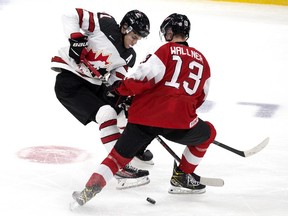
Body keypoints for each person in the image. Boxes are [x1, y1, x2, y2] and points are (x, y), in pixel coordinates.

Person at [71, 13, 217, 206]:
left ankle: (88, 191)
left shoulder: (165, 51)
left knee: (116, 158)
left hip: (144, 119)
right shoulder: (203, 61)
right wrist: (178, 111)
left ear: (169, 32)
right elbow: (200, 97)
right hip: (180, 123)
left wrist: (121, 89)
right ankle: (182, 175)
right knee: (208, 133)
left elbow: (142, 78)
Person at [51, 8, 153, 189]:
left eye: (139, 39)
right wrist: (76, 37)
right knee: (106, 114)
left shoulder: (129, 55)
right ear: (125, 28)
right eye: (134, 36)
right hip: (70, 81)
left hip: (95, 85)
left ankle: (132, 149)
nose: (135, 42)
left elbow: (116, 81)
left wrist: (123, 95)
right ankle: (120, 169)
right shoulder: (104, 24)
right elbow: (70, 14)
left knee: (123, 113)